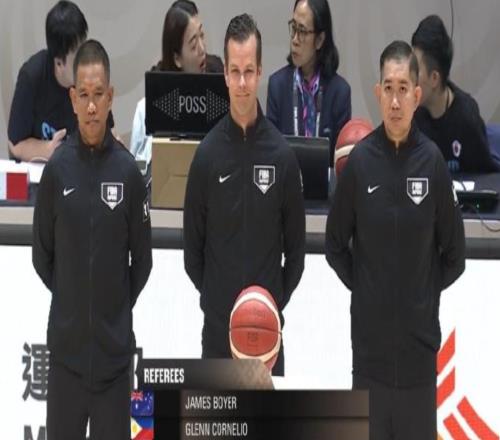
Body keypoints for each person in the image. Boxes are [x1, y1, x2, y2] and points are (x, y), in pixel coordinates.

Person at [325, 40, 465, 439]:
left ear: (417, 95)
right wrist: (365, 286)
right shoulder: (360, 164)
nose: (396, 100)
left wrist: (422, 292)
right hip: (369, 360)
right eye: (388, 88)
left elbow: (455, 256)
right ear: (377, 93)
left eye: (403, 88)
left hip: (419, 361)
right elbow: (334, 245)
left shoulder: (432, 163)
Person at [32, 40, 152, 440]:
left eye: (98, 95)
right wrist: (72, 296)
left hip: (114, 366)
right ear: (73, 98)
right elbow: (42, 256)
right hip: (64, 363)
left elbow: (143, 262)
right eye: (83, 95)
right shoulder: (57, 171)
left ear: (111, 96)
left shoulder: (128, 174)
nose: (91, 106)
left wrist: (112, 307)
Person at [183, 14, 305, 376]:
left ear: (260, 71)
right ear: (224, 74)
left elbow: (296, 255)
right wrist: (219, 305)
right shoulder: (207, 156)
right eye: (234, 71)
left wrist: (267, 306)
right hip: (217, 338)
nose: (241, 82)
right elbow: (192, 254)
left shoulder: (282, 156)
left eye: (248, 71)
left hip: (267, 339)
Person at [129, 0, 223, 168]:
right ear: (177, 58)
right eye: (193, 44)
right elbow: (138, 170)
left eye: (202, 35)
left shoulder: (220, 93)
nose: (202, 49)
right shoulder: (147, 110)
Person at [266, 0, 351, 166]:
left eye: (302, 31)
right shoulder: (277, 86)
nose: (295, 40)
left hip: (325, 182)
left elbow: (341, 162)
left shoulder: (339, 92)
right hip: (286, 180)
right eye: (293, 28)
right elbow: (271, 152)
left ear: (319, 40)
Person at [411, 15, 498, 173]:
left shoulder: (467, 120)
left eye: (416, 69)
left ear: (434, 78)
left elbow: (486, 179)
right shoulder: (413, 114)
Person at [8, 1, 88, 161]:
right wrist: (48, 149)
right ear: (59, 62)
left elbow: (108, 131)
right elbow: (15, 144)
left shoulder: (91, 75)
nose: (85, 61)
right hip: (40, 170)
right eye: (77, 57)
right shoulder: (31, 77)